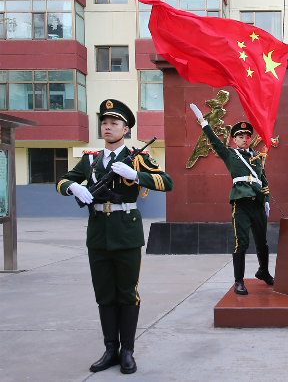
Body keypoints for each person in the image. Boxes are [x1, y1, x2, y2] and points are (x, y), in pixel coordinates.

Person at [57, 99, 173, 374]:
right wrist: (73, 187)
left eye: (114, 123)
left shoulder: (138, 157)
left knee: (127, 293)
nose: (107, 127)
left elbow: (166, 182)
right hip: (98, 234)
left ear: (126, 129)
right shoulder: (90, 160)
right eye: (104, 123)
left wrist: (136, 175)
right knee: (104, 294)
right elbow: (61, 180)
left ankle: (128, 351)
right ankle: (111, 349)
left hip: (126, 232)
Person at [189, 103, 273, 296]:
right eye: (240, 136)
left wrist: (266, 199)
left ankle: (264, 271)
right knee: (241, 242)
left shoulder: (258, 158)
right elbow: (215, 142)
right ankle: (238, 281)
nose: (245, 139)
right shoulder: (230, 154)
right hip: (241, 203)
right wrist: (203, 122)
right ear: (234, 139)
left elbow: (263, 179)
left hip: (258, 204)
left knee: (262, 242)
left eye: (247, 136)